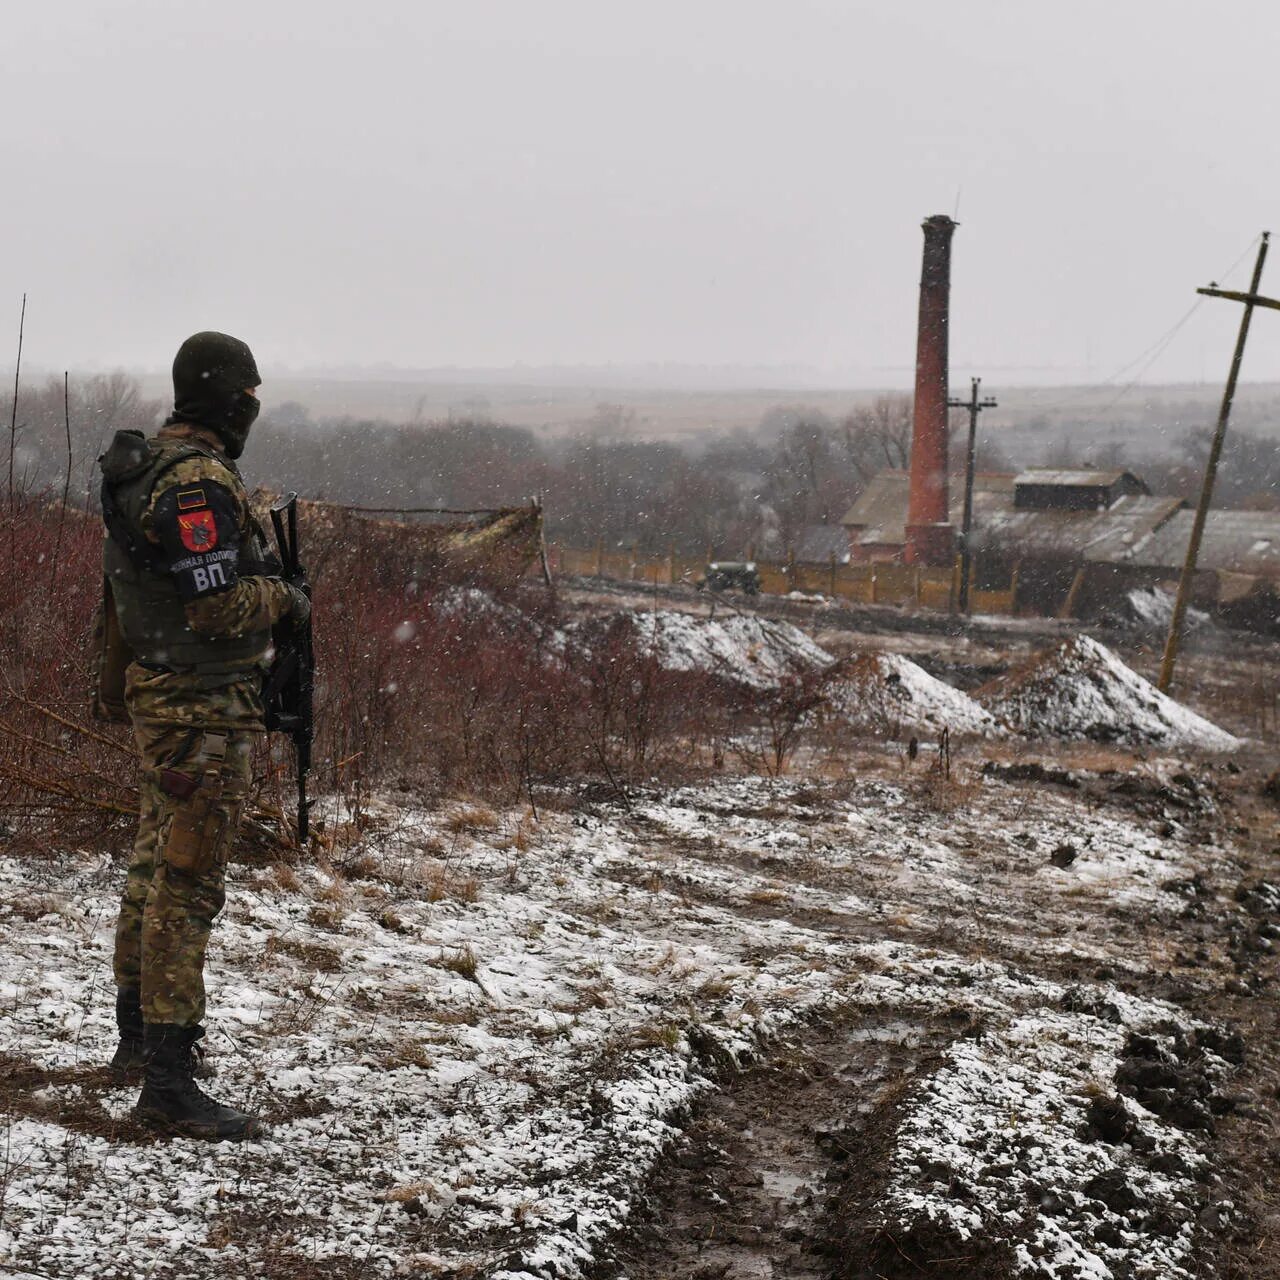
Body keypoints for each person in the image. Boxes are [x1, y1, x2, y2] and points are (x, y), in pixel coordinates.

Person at [98, 331, 310, 1140]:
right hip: (200, 706)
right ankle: (168, 1084)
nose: (253, 407)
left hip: (162, 694)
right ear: (228, 398)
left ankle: (138, 1044)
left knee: (154, 866)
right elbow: (216, 607)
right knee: (186, 885)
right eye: (248, 395)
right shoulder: (196, 484)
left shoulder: (144, 463)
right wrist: (286, 600)